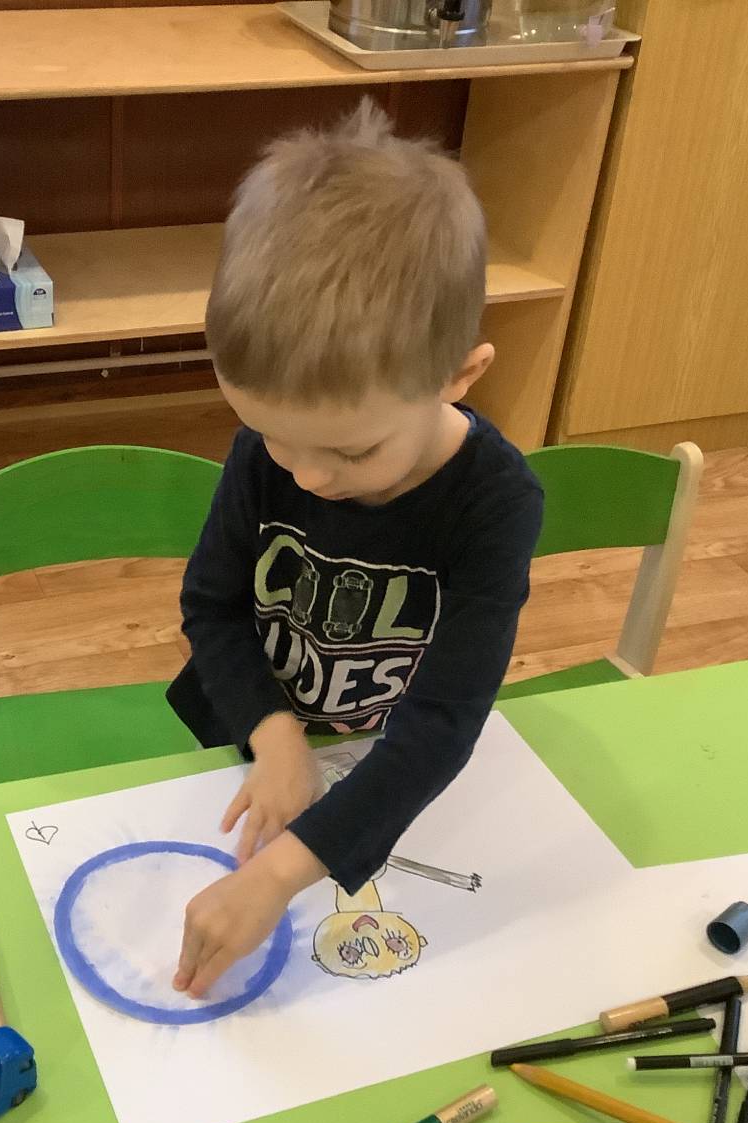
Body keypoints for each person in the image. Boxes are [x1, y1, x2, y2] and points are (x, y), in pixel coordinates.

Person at [167, 101, 544, 998]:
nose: (306, 476)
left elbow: (443, 722)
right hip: (249, 731)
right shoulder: (275, 454)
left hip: (392, 757)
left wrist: (278, 877)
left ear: (459, 376)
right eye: (272, 436)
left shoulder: (494, 504)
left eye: (351, 451)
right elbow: (212, 606)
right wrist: (274, 736)